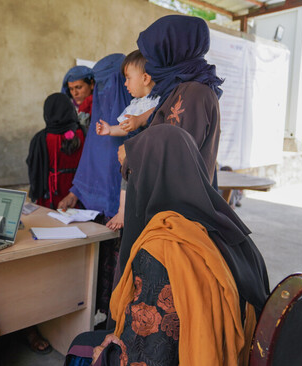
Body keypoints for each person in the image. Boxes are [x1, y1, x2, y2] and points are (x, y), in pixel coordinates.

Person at [65, 124, 270, 366]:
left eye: (132, 174)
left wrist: (104, 355)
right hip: (241, 353)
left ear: (149, 176)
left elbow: (149, 355)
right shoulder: (232, 229)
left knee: (82, 345)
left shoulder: (160, 249)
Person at [58, 53, 132, 326]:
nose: (104, 92)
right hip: (97, 211)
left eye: (109, 84)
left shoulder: (135, 120)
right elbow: (92, 158)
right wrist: (74, 192)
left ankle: (117, 322)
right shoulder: (100, 121)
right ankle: (102, 317)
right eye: (100, 86)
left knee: (121, 271)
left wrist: (124, 208)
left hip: (125, 212)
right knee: (97, 268)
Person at [118, 14, 223, 186]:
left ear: (170, 52)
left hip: (178, 207)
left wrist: (131, 155)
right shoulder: (178, 89)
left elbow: (175, 157)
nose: (150, 64)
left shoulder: (194, 93)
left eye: (152, 56)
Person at [95, 50, 159, 230]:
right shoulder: (135, 104)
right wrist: (110, 130)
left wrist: (139, 120)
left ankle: (125, 211)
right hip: (132, 156)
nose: (125, 84)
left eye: (128, 78)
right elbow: (124, 128)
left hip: (147, 155)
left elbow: (155, 113)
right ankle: (123, 210)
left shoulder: (156, 101)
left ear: (145, 78)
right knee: (126, 178)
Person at [27, 92, 85, 209]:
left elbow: (34, 168)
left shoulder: (42, 138)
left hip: (51, 198)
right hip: (79, 195)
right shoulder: (84, 134)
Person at [61, 65, 95, 130]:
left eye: (78, 87)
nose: (75, 93)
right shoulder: (67, 110)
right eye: (71, 89)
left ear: (92, 84)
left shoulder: (100, 106)